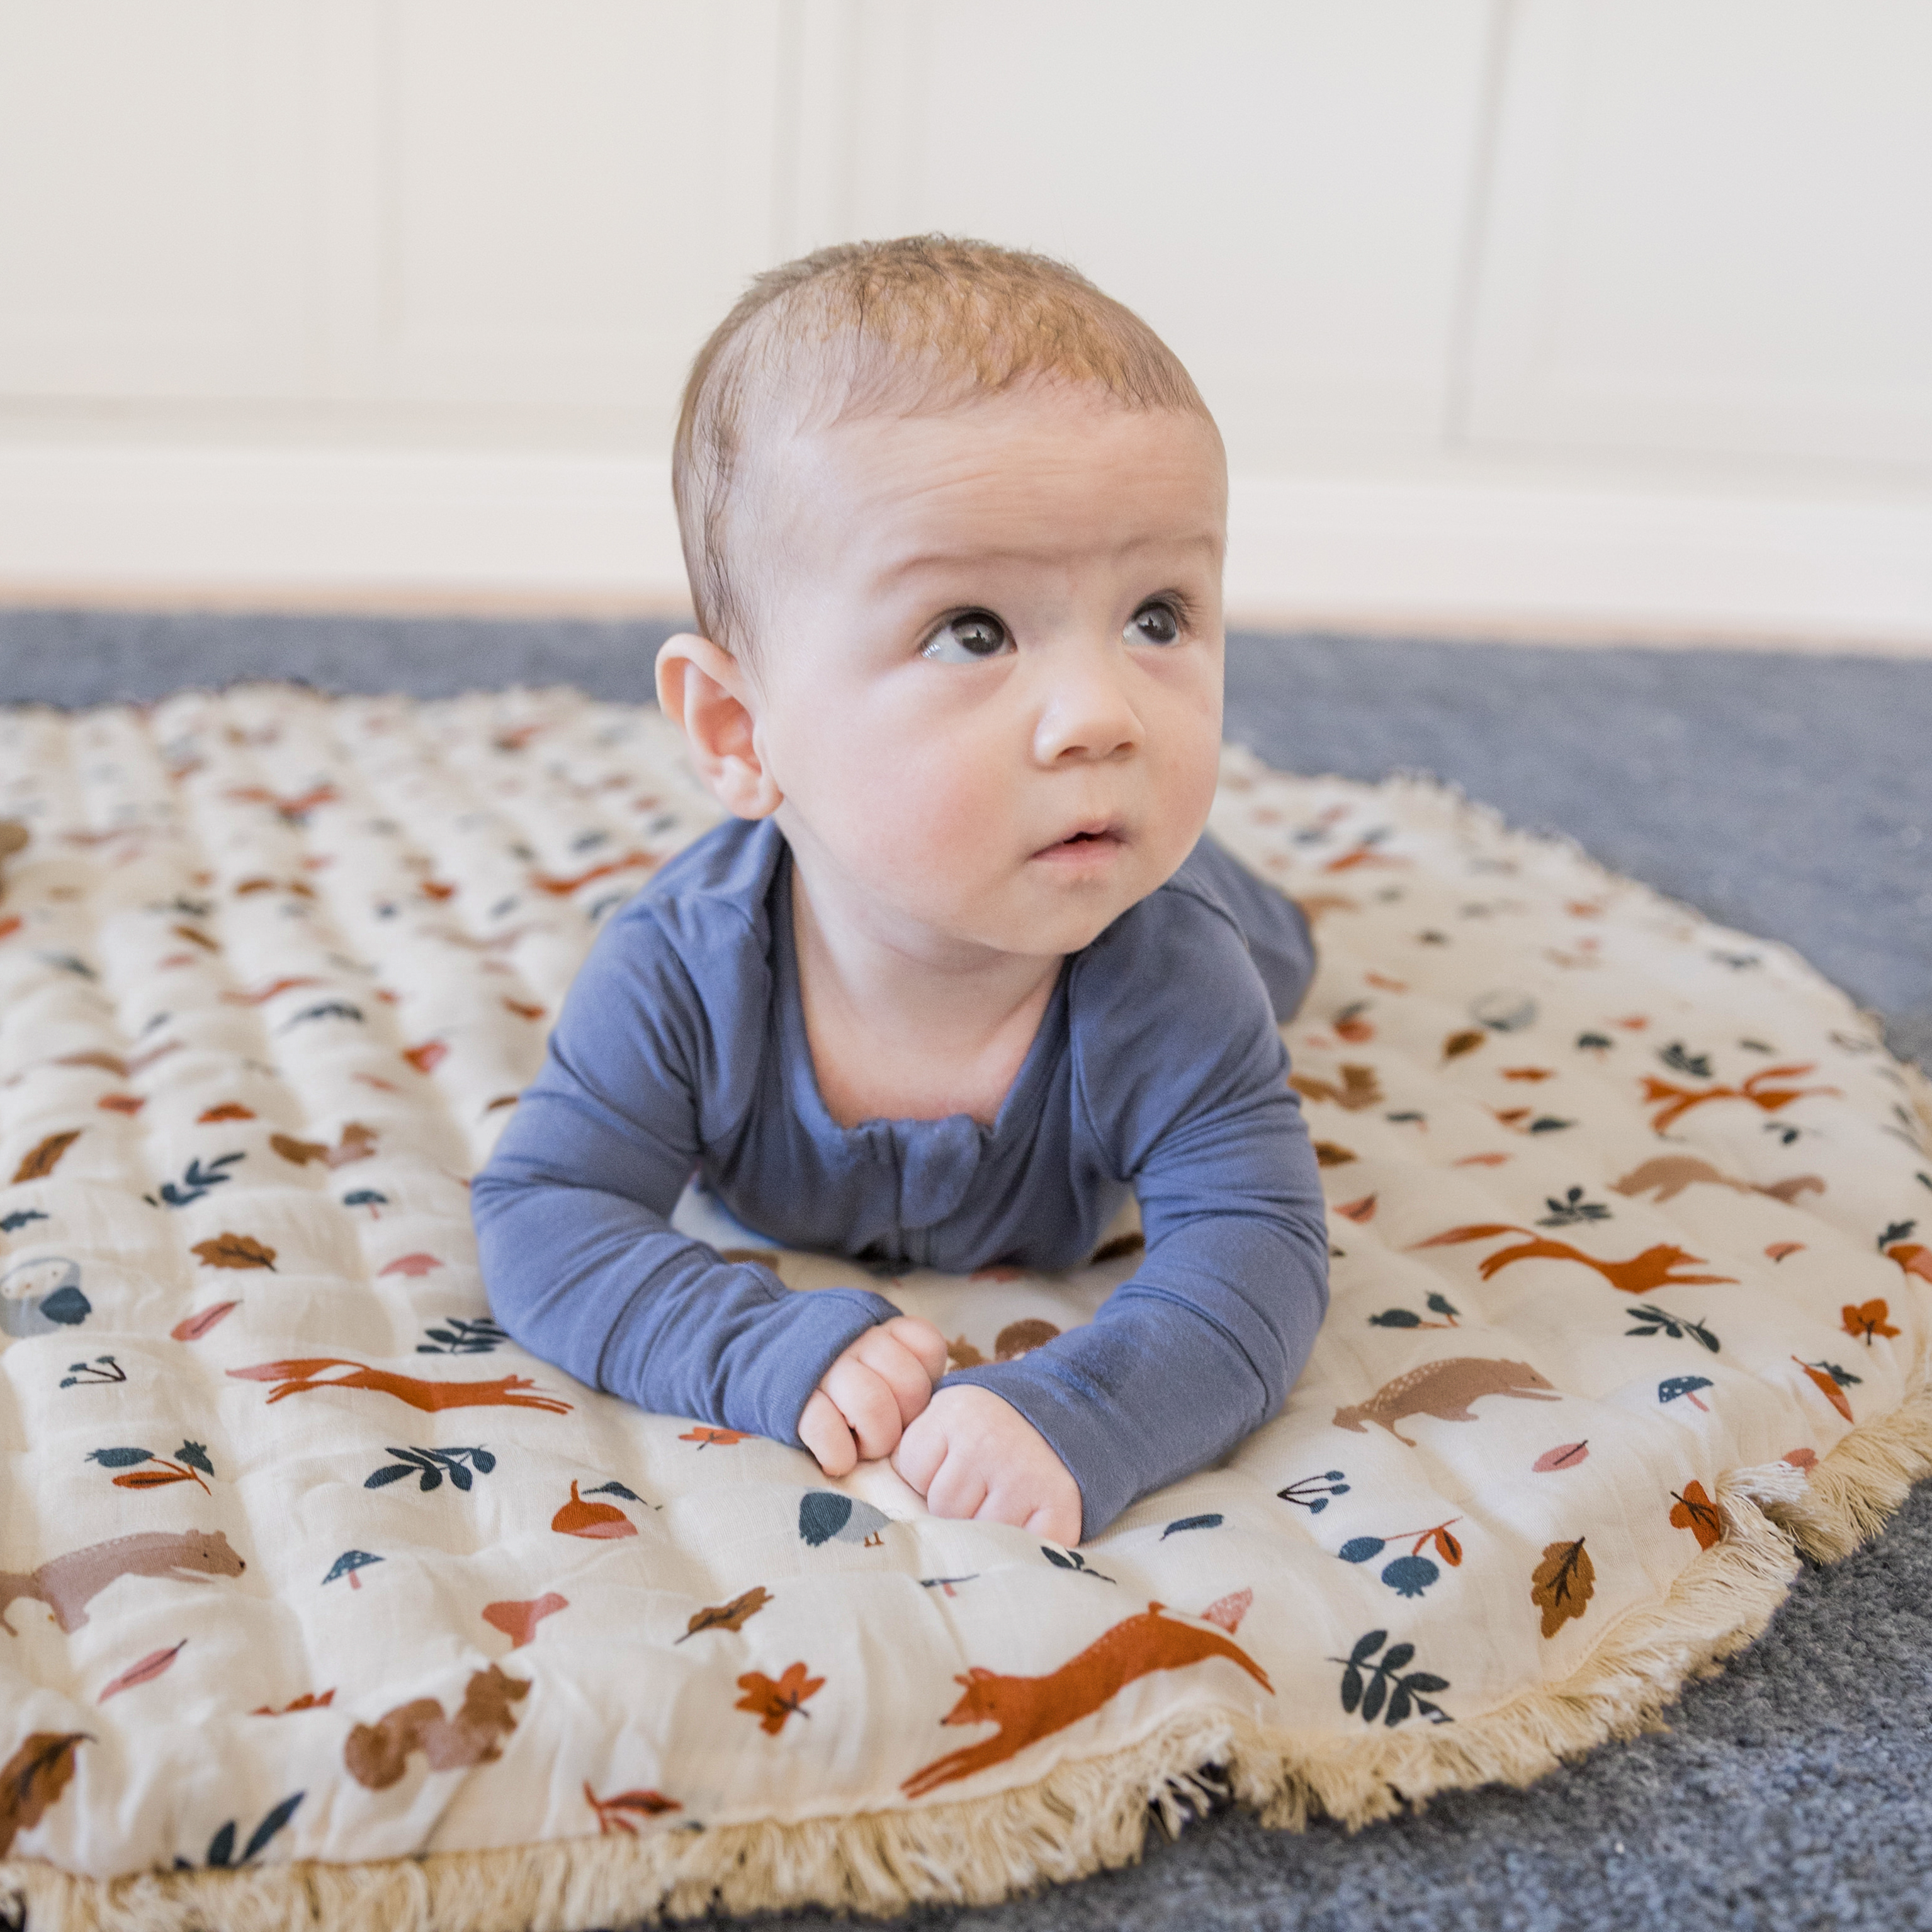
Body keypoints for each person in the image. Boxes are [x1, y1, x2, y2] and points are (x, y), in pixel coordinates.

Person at [472, 236, 1329, 1545]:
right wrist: (755, 1342)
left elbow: (1257, 1254)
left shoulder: (1173, 978)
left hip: (1157, 896)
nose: (1101, 714)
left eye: (1157, 616)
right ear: (738, 731)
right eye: (971, 632)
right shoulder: (680, 972)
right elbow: (545, 1212)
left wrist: (1082, 1408)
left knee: (1265, 943)